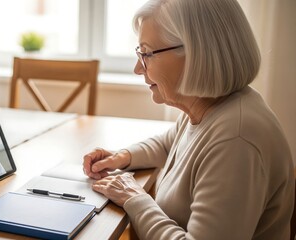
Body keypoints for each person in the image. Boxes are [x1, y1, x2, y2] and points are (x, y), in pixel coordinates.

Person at [82, 0, 294, 239]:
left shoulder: (237, 139)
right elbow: (169, 143)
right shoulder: (209, 108)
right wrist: (122, 156)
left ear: (197, 53)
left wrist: (136, 199)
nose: (138, 69)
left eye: (147, 53)